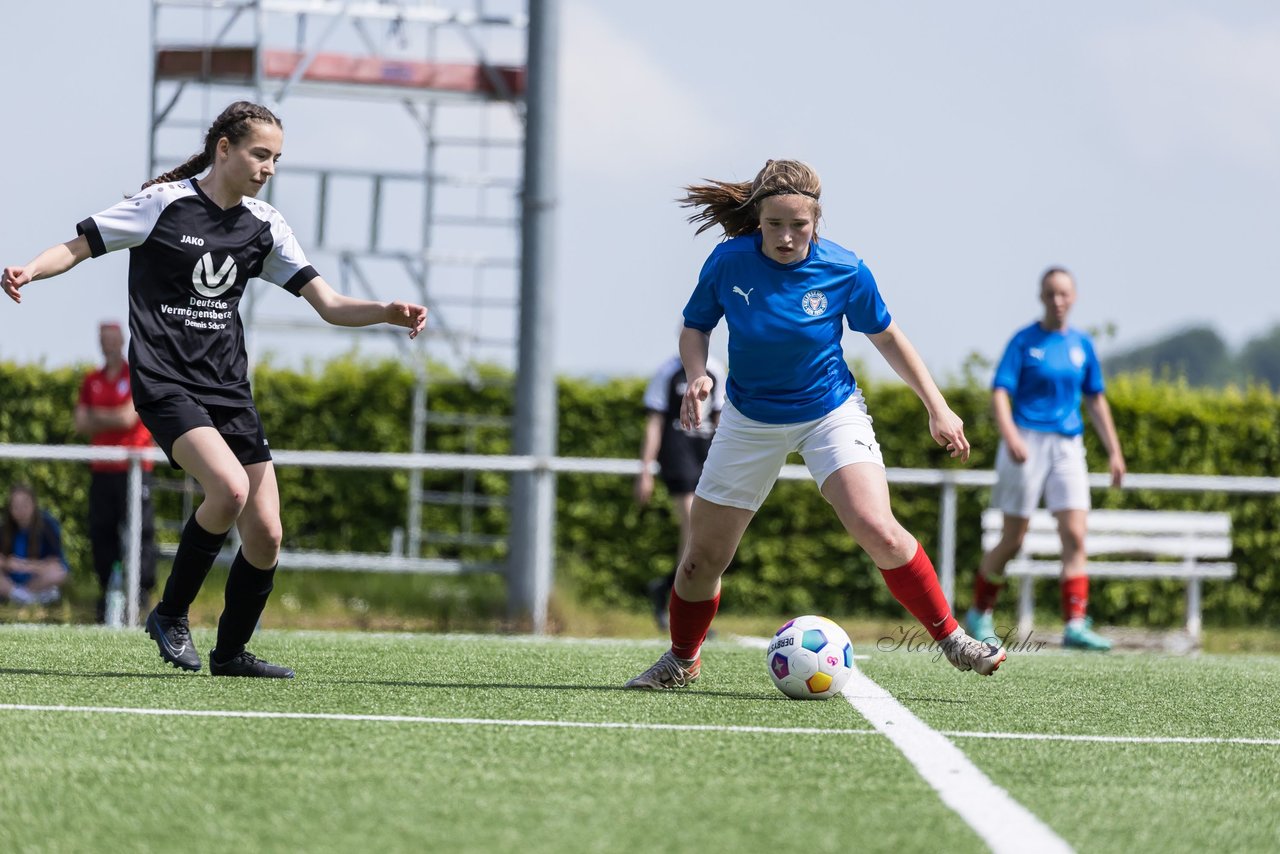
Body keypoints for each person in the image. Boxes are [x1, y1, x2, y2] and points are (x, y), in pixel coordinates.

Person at [3, 101, 427, 677]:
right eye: (259, 154)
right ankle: (171, 615)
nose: (268, 167)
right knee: (227, 489)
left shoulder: (266, 225)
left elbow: (328, 304)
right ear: (224, 148)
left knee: (268, 533)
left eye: (276, 158)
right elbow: (78, 246)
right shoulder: (163, 205)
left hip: (228, 390)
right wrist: (29, 269)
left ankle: (230, 653)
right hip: (166, 382)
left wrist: (385, 311)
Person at [625, 159, 1006, 690]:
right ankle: (681, 659)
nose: (785, 237)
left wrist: (936, 406)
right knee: (700, 561)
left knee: (877, 527)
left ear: (817, 221)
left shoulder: (847, 269)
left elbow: (890, 338)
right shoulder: (728, 263)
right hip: (749, 419)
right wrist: (696, 376)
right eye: (774, 224)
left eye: (798, 225)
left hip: (829, 412)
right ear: (757, 218)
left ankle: (952, 638)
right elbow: (695, 328)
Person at [964, 267, 1125, 652]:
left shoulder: (1082, 345)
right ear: (1041, 297)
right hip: (1025, 442)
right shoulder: (1023, 341)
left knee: (1074, 534)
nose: (1058, 300)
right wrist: (1011, 435)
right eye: (1051, 293)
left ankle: (1075, 624)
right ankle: (978, 613)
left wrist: (1115, 451)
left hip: (1068, 445)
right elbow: (1000, 391)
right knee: (1014, 538)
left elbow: (1095, 399)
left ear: (1074, 297)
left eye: (1064, 293)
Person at [75, 320, 159, 623]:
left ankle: (142, 595)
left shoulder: (134, 374)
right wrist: (112, 417)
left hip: (134, 468)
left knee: (141, 532)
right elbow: (81, 423)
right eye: (103, 339)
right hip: (102, 467)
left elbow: (127, 418)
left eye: (112, 339)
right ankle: (107, 592)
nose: (107, 344)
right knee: (102, 533)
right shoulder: (92, 380)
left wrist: (99, 416)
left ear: (121, 341)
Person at [636, 352, 727, 629]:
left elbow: (721, 418)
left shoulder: (716, 370)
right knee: (692, 523)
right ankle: (687, 607)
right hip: (676, 454)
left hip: (705, 455)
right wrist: (645, 471)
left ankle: (667, 590)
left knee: (710, 535)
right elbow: (655, 422)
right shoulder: (668, 372)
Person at [0, 484, 69, 606]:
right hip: (11, 581)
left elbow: (57, 562)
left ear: (33, 504)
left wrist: (24, 565)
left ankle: (24, 596)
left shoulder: (47, 525)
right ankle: (24, 597)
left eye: (25, 505)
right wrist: (7, 563)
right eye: (16, 506)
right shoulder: (5, 528)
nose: (21, 510)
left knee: (58, 572)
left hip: (36, 579)